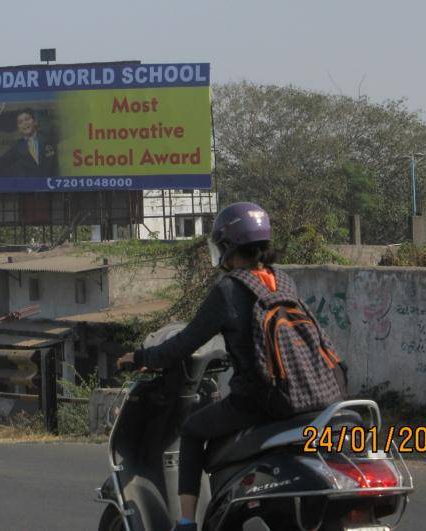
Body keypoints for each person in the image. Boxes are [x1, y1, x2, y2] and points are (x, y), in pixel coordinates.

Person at [116, 202, 343, 531]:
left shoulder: (228, 291)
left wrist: (139, 358)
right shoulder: (282, 281)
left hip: (259, 403)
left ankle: (185, 522)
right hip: (313, 395)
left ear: (227, 247)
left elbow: (181, 346)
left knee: (192, 431)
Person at [0, 108, 57, 177]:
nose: (24, 123)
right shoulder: (17, 147)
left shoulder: (48, 137)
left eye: (27, 119)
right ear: (19, 129)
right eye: (20, 122)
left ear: (35, 122)